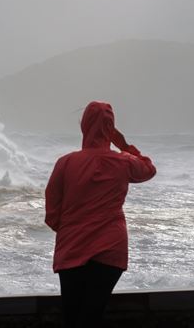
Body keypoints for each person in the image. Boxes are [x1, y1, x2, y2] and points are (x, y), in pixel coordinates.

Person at [45, 101, 156, 328]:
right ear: (110, 128)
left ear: (84, 127)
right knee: (92, 315)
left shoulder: (65, 163)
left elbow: (52, 213)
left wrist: (72, 228)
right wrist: (123, 144)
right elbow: (149, 169)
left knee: (73, 316)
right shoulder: (124, 162)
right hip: (110, 249)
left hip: (72, 247)